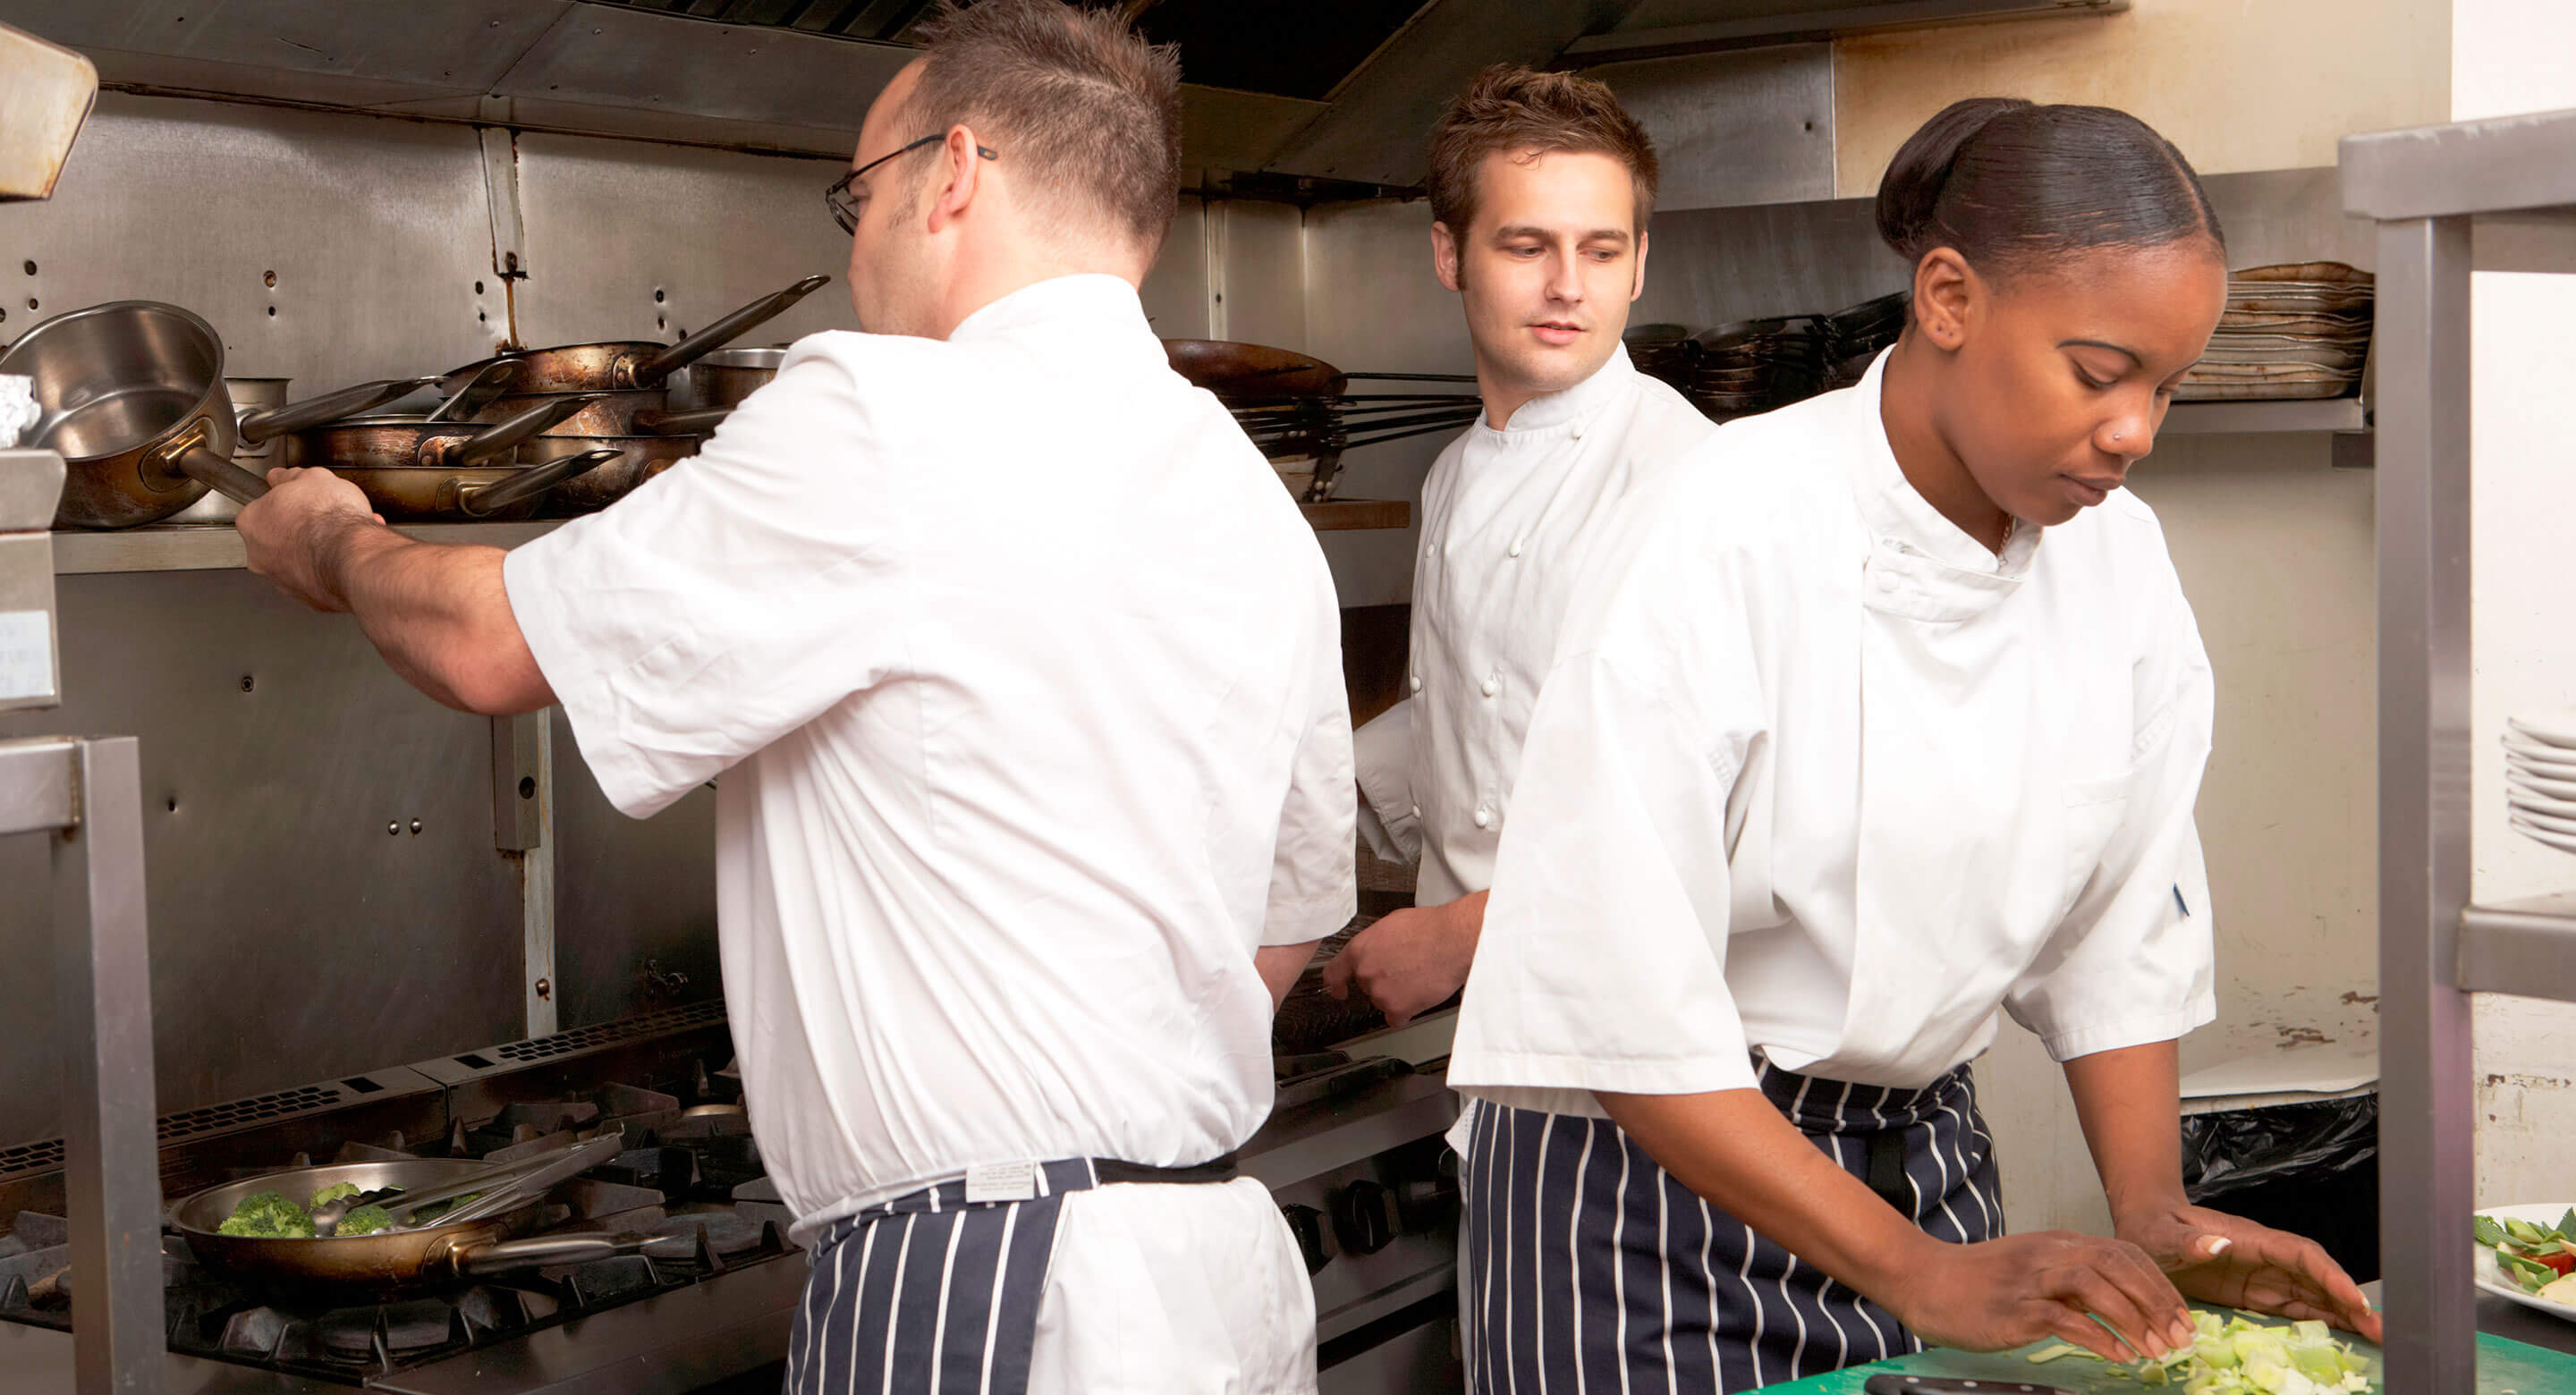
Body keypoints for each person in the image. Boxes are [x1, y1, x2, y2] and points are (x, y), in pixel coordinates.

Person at [233, 3, 1353, 1391]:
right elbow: (1286, 931)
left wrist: (335, 542)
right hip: (1214, 1270)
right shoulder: (1247, 498)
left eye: (856, 196)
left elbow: (486, 646)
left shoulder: (891, 418)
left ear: (951, 175)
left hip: (999, 1283)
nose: (857, 243)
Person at [1443, 97, 2382, 1392]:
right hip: (1648, 1207)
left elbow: (2119, 923)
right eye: (2100, 374)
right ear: (1947, 297)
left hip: (1927, 1168)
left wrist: (2158, 1215)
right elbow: (1616, 1002)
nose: (2135, 433)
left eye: (2166, 388)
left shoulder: (2118, 563)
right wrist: (1915, 1272)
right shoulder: (1721, 523)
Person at [1321, 63, 1717, 1027]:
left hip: (1644, 1041)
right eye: (1526, 245)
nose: (1567, 287)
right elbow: (1484, 699)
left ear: (1639, 263)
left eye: (1601, 249)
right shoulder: (1455, 474)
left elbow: (1717, 820)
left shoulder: (1694, 483)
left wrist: (1461, 936)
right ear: (1448, 254)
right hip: (1503, 1039)